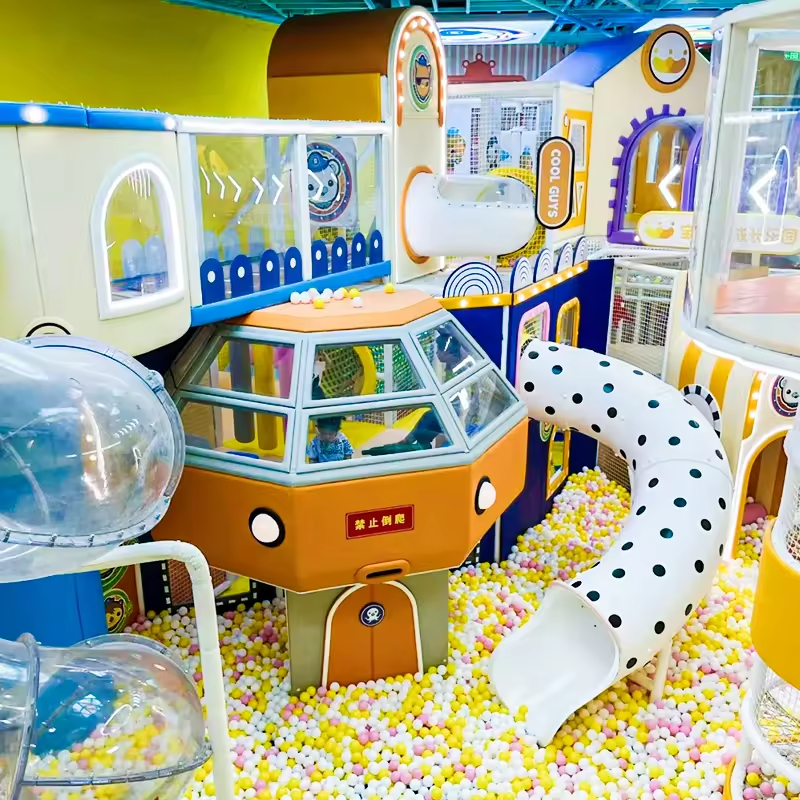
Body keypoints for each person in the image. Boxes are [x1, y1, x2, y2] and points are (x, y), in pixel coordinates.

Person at [363, 409, 448, 456]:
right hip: (424, 432)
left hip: (425, 432)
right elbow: (418, 432)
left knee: (406, 445)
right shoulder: (430, 418)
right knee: (403, 447)